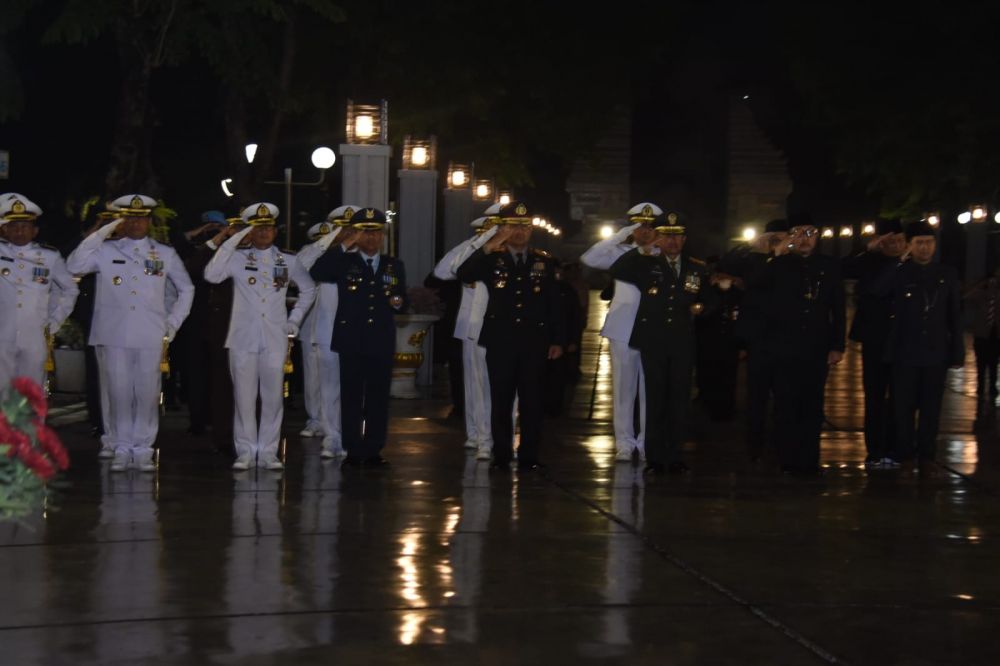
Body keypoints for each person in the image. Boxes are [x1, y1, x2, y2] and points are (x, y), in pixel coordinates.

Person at [66, 194, 194, 472]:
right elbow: (74, 266)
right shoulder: (105, 250)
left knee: (147, 393)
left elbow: (187, 289)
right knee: (119, 391)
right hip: (113, 334)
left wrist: (172, 324)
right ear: (122, 220)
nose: (136, 223)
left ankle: (144, 447)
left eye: (141, 218)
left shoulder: (164, 253)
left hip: (150, 333)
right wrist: (104, 230)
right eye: (130, 218)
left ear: (149, 221)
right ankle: (123, 447)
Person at [204, 202, 316, 471]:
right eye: (258, 228)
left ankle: (268, 451)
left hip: (274, 337)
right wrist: (234, 241)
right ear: (250, 232)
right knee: (243, 396)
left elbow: (309, 290)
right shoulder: (237, 258)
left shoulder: (288, 260)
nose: (264, 232)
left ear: (275, 231)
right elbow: (211, 275)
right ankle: (245, 450)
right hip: (242, 337)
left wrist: (294, 320)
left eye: (268, 228)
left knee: (273, 397)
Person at [456, 201, 566, 471]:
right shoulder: (492, 258)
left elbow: (555, 303)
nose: (520, 232)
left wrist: (558, 340)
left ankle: (529, 455)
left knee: (532, 401)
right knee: (501, 400)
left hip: (534, 342)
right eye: (513, 227)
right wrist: (488, 246)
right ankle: (502, 454)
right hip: (501, 340)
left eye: (525, 227)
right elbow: (463, 273)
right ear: (503, 228)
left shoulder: (544, 261)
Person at [609, 210, 715, 474]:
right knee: (655, 398)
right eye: (667, 236)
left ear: (684, 239)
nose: (672, 242)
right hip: (653, 340)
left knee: (679, 398)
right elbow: (617, 269)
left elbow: (712, 300)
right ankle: (655, 456)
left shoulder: (696, 268)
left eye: (677, 237)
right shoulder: (646, 263)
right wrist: (645, 247)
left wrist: (701, 307)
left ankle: (675, 454)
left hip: (681, 341)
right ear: (659, 238)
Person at [309, 207, 408, 468]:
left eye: (376, 233)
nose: (371, 238)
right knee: (351, 396)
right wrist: (345, 244)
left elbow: (401, 300)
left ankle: (374, 448)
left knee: (377, 397)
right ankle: (352, 448)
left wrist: (398, 302)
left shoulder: (393, 265)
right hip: (351, 340)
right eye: (365, 233)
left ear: (382, 235)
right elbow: (318, 272)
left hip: (380, 340)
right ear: (357, 234)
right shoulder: (344, 262)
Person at [748, 214, 845, 475]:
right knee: (786, 404)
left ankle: (809, 459)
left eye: (810, 233)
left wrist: (837, 345)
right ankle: (787, 458)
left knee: (813, 405)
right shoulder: (778, 264)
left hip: (816, 345)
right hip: (783, 344)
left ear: (818, 237)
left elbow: (838, 307)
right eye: (798, 233)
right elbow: (755, 287)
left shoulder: (828, 266)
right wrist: (776, 255)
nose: (804, 239)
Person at [872, 220, 963, 470]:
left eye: (929, 243)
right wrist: (899, 262)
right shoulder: (901, 272)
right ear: (910, 246)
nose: (925, 248)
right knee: (902, 407)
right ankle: (904, 453)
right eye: (919, 243)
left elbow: (954, 315)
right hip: (905, 352)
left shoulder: (946, 274)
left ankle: (927, 454)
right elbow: (878, 291)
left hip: (935, 352)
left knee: (931, 408)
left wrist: (957, 352)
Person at [580, 202, 662, 462]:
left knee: (650, 389)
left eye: (650, 227)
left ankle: (646, 441)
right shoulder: (619, 253)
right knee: (624, 389)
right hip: (623, 328)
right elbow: (589, 258)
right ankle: (624, 442)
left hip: (653, 328)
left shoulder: (665, 254)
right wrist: (621, 234)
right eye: (640, 226)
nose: (645, 232)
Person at [720, 218, 788, 462]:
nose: (778, 244)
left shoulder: (792, 260)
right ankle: (754, 443)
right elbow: (729, 265)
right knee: (757, 394)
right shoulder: (754, 259)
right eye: (774, 238)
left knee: (784, 394)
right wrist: (754, 247)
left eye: (783, 238)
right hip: (759, 337)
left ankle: (781, 441)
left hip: (786, 336)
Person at [843, 218, 906, 467]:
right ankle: (875, 448)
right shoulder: (868, 262)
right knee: (875, 395)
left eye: (900, 241)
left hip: (903, 340)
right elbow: (845, 269)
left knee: (901, 397)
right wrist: (868, 250)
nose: (896, 245)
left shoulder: (912, 265)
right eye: (889, 241)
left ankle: (896, 447)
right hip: (876, 339)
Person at [296, 205, 359, 459]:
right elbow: (301, 266)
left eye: (351, 229)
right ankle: (322, 424)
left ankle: (346, 431)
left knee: (349, 384)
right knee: (322, 380)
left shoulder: (362, 255)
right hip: (321, 327)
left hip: (351, 330)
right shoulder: (322, 254)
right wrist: (331, 240)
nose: (348, 233)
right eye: (342, 229)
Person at [0, 193, 79, 389]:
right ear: (5, 230)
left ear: (34, 231)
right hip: (2, 332)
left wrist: (54, 321)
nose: (19, 232)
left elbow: (70, 289)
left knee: (32, 389)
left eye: (25, 227)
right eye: (14, 227)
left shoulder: (49, 256)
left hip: (34, 334)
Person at [433, 214, 496, 457]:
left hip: (498, 327)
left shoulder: (503, 255)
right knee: (473, 385)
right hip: (471, 327)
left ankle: (490, 434)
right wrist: (475, 243)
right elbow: (442, 271)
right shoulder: (470, 255)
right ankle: (475, 433)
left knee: (494, 385)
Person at [962, 270, 1000, 405]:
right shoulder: (981, 295)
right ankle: (980, 385)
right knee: (981, 362)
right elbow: (966, 296)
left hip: (995, 335)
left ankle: (992, 387)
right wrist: (981, 284)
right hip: (982, 334)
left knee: (994, 363)